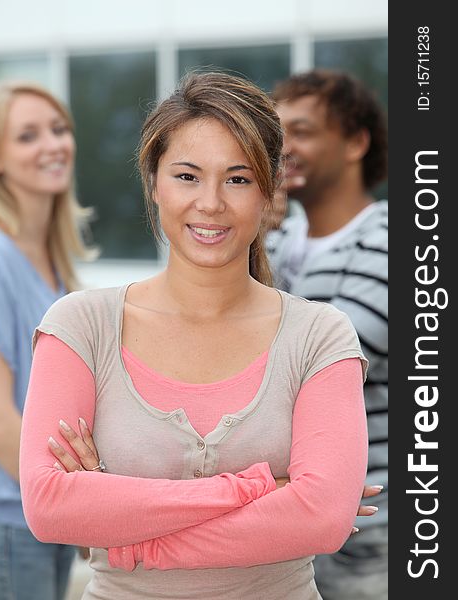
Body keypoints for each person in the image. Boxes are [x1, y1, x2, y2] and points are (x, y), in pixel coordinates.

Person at [20, 72, 375, 600]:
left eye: (237, 179)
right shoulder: (81, 325)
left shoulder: (319, 335)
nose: (210, 203)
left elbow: (321, 521)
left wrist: (136, 538)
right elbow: (50, 506)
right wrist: (257, 489)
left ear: (270, 187)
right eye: (187, 176)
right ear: (154, 183)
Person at [268, 69, 388, 600]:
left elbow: (319, 367)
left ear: (357, 142)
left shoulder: (396, 239)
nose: (283, 147)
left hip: (373, 537)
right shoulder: (274, 239)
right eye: (275, 133)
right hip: (284, 526)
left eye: (303, 131)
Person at [0, 81, 95, 600]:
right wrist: (69, 510)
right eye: (27, 136)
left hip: (43, 511)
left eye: (58, 129)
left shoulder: (51, 259)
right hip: (9, 519)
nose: (52, 145)